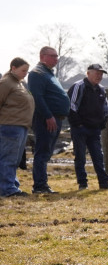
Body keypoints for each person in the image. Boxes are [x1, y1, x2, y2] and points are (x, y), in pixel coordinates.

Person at [27, 46, 71, 194]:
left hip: (55, 118)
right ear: (42, 56)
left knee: (47, 152)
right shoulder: (36, 74)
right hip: (45, 119)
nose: (56, 59)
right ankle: (39, 186)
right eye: (52, 56)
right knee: (42, 151)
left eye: (57, 56)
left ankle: (42, 184)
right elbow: (37, 97)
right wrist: (48, 116)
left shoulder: (49, 74)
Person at [67, 64, 108, 192]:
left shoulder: (101, 89)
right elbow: (71, 105)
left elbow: (106, 108)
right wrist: (77, 123)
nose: (99, 76)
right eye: (97, 73)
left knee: (98, 157)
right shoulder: (79, 86)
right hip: (80, 129)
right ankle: (83, 184)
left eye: (101, 74)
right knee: (80, 157)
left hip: (94, 129)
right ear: (88, 73)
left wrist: (103, 122)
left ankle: (104, 184)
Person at [0, 58, 34, 197]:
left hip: (20, 126)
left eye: (27, 70)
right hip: (10, 126)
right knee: (8, 158)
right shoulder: (6, 83)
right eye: (23, 70)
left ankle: (11, 185)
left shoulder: (19, 83)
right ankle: (7, 189)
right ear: (13, 68)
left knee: (15, 159)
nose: (25, 73)